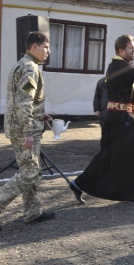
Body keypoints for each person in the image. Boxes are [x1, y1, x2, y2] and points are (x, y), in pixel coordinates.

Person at [69, 34, 134, 205]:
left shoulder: (117, 65)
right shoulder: (118, 66)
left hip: (116, 118)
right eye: (131, 47)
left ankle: (78, 184)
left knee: (109, 156)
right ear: (121, 50)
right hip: (120, 120)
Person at [1, 32, 54, 230]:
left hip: (19, 126)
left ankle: (33, 212)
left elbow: (24, 100)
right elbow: (24, 103)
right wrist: (28, 131)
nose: (48, 51)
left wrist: (41, 115)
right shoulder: (30, 68)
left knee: (28, 169)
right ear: (34, 47)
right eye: (46, 47)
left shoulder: (21, 64)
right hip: (23, 131)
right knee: (30, 172)